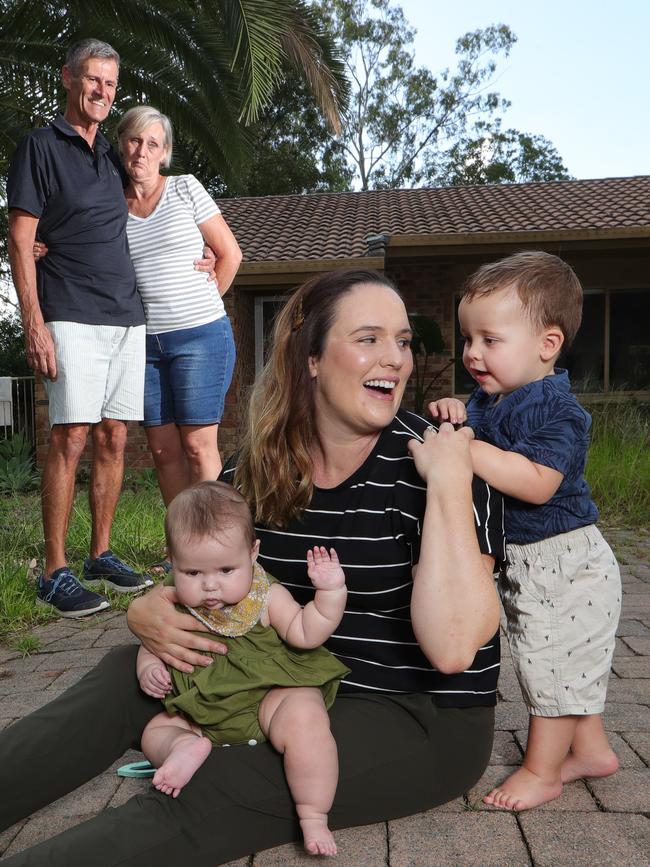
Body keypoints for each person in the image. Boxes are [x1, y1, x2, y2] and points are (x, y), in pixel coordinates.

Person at [0, 268, 505, 866]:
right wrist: (148, 614)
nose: (393, 358)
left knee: (217, 786)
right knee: (123, 676)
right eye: (368, 338)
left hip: (414, 715)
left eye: (401, 341)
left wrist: (449, 487)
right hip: (275, 676)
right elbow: (201, 580)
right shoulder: (259, 468)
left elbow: (452, 650)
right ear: (311, 358)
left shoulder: (442, 458)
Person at [431, 251, 621, 811]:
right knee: (567, 659)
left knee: (550, 663)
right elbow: (473, 431)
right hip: (534, 561)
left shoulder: (559, 412)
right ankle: (592, 751)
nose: (472, 353)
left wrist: (470, 450)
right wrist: (455, 418)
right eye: (468, 339)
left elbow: (536, 482)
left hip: (564, 562)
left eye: (490, 340)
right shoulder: (492, 400)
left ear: (547, 344)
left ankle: (543, 771)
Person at [7, 38, 153, 617]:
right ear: (68, 79)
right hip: (68, 311)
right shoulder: (40, 147)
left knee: (116, 435)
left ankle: (100, 554)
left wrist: (205, 254)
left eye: (111, 85)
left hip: (125, 313)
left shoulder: (112, 158)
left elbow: (146, 203)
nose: (102, 92)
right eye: (93, 80)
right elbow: (21, 239)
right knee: (70, 436)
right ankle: (53, 570)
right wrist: (34, 323)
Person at [137, 481, 348, 856]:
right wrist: (148, 667)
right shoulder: (170, 598)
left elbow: (305, 633)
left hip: (268, 698)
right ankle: (185, 746)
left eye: (225, 569)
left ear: (253, 553)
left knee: (305, 718)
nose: (210, 585)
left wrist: (330, 595)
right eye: (192, 573)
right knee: (156, 731)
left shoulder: (265, 595)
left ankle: (313, 813)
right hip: (200, 712)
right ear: (172, 561)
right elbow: (153, 642)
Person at [117, 106, 242, 506]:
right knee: (163, 451)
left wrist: (200, 306)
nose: (142, 151)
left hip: (200, 337)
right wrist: (44, 244)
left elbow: (230, 254)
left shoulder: (185, 188)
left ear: (164, 152)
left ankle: (216, 541)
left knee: (197, 446)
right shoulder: (111, 206)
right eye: (135, 140)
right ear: (122, 144)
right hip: (145, 348)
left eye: (152, 143)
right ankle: (179, 547)